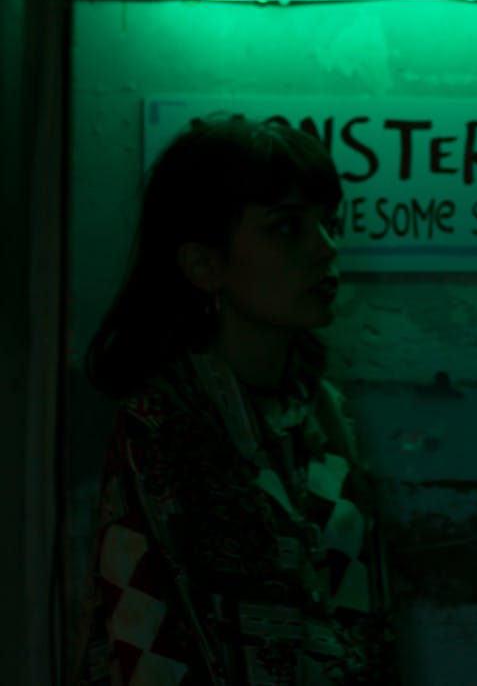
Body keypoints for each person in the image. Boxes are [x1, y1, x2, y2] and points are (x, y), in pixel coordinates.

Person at [70, 112, 402, 685]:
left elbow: (364, 626)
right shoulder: (161, 424)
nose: (326, 249)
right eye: (286, 227)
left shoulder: (323, 416)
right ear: (204, 263)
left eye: (328, 223)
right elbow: (142, 640)